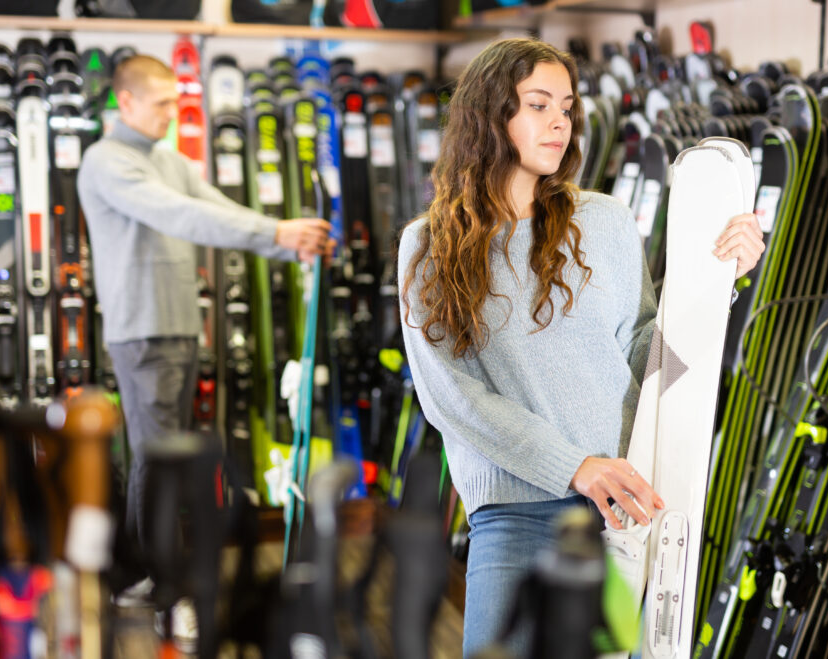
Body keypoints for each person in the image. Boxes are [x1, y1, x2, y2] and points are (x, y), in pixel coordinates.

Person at [397, 38, 766, 656]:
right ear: (490, 116)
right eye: (538, 104)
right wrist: (573, 466)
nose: (560, 122)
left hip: (623, 516)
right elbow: (452, 398)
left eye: (566, 106)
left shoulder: (605, 222)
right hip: (515, 516)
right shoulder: (429, 245)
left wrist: (716, 278)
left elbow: (650, 354)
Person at [77, 54, 334, 649]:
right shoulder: (107, 161)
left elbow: (215, 205)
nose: (173, 113)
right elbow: (179, 215)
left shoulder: (167, 159)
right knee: (154, 460)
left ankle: (157, 577)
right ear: (126, 101)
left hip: (178, 329)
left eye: (175, 100)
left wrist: (281, 237)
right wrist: (276, 235)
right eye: (162, 102)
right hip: (141, 333)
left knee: (169, 460)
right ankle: (154, 586)